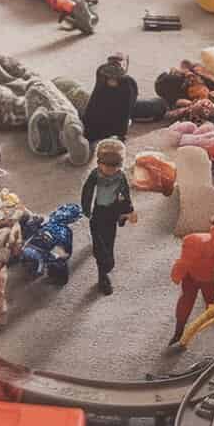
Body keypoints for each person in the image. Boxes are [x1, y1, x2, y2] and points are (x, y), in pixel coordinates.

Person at [169, 213, 214, 345]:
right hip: (191, 276)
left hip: (209, 276)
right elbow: (184, 262)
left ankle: (209, 313)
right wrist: (177, 274)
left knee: (210, 296)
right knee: (186, 301)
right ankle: (178, 331)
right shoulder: (196, 242)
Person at [80, 137, 137, 295]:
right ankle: (103, 275)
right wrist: (86, 208)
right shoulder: (95, 175)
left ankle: (104, 267)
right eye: (107, 166)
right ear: (99, 163)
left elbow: (125, 195)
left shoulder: (120, 177)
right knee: (100, 248)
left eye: (115, 166)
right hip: (98, 212)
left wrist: (128, 210)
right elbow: (87, 191)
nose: (111, 170)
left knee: (109, 240)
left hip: (112, 212)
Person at [82, 54, 138, 145]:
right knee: (157, 106)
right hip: (112, 129)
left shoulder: (100, 71)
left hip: (92, 127)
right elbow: (127, 110)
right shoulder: (128, 82)